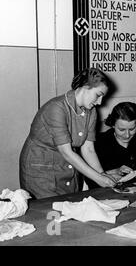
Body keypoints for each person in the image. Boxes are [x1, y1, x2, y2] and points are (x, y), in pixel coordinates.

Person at [19, 68, 116, 199]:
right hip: (41, 171)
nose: (100, 102)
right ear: (85, 86)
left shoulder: (91, 111)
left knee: (69, 211)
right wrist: (98, 179)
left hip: (66, 168)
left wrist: (102, 174)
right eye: (98, 95)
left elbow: (88, 149)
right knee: (48, 212)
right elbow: (66, 152)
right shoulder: (56, 108)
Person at [84, 102, 136, 189]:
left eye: (132, 129)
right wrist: (111, 173)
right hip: (106, 195)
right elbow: (90, 180)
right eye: (121, 130)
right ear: (113, 125)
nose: (127, 135)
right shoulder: (98, 144)